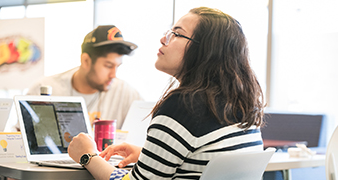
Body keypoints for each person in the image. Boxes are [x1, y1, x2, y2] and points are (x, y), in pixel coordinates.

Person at [68, 7, 265, 180]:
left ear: (205, 50)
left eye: (177, 34)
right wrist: (149, 156)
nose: (164, 39)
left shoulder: (183, 105)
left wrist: (88, 156)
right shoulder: (242, 105)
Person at [26, 25, 143, 129]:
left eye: (117, 66)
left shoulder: (126, 94)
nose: (113, 75)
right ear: (86, 61)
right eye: (108, 66)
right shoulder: (43, 89)